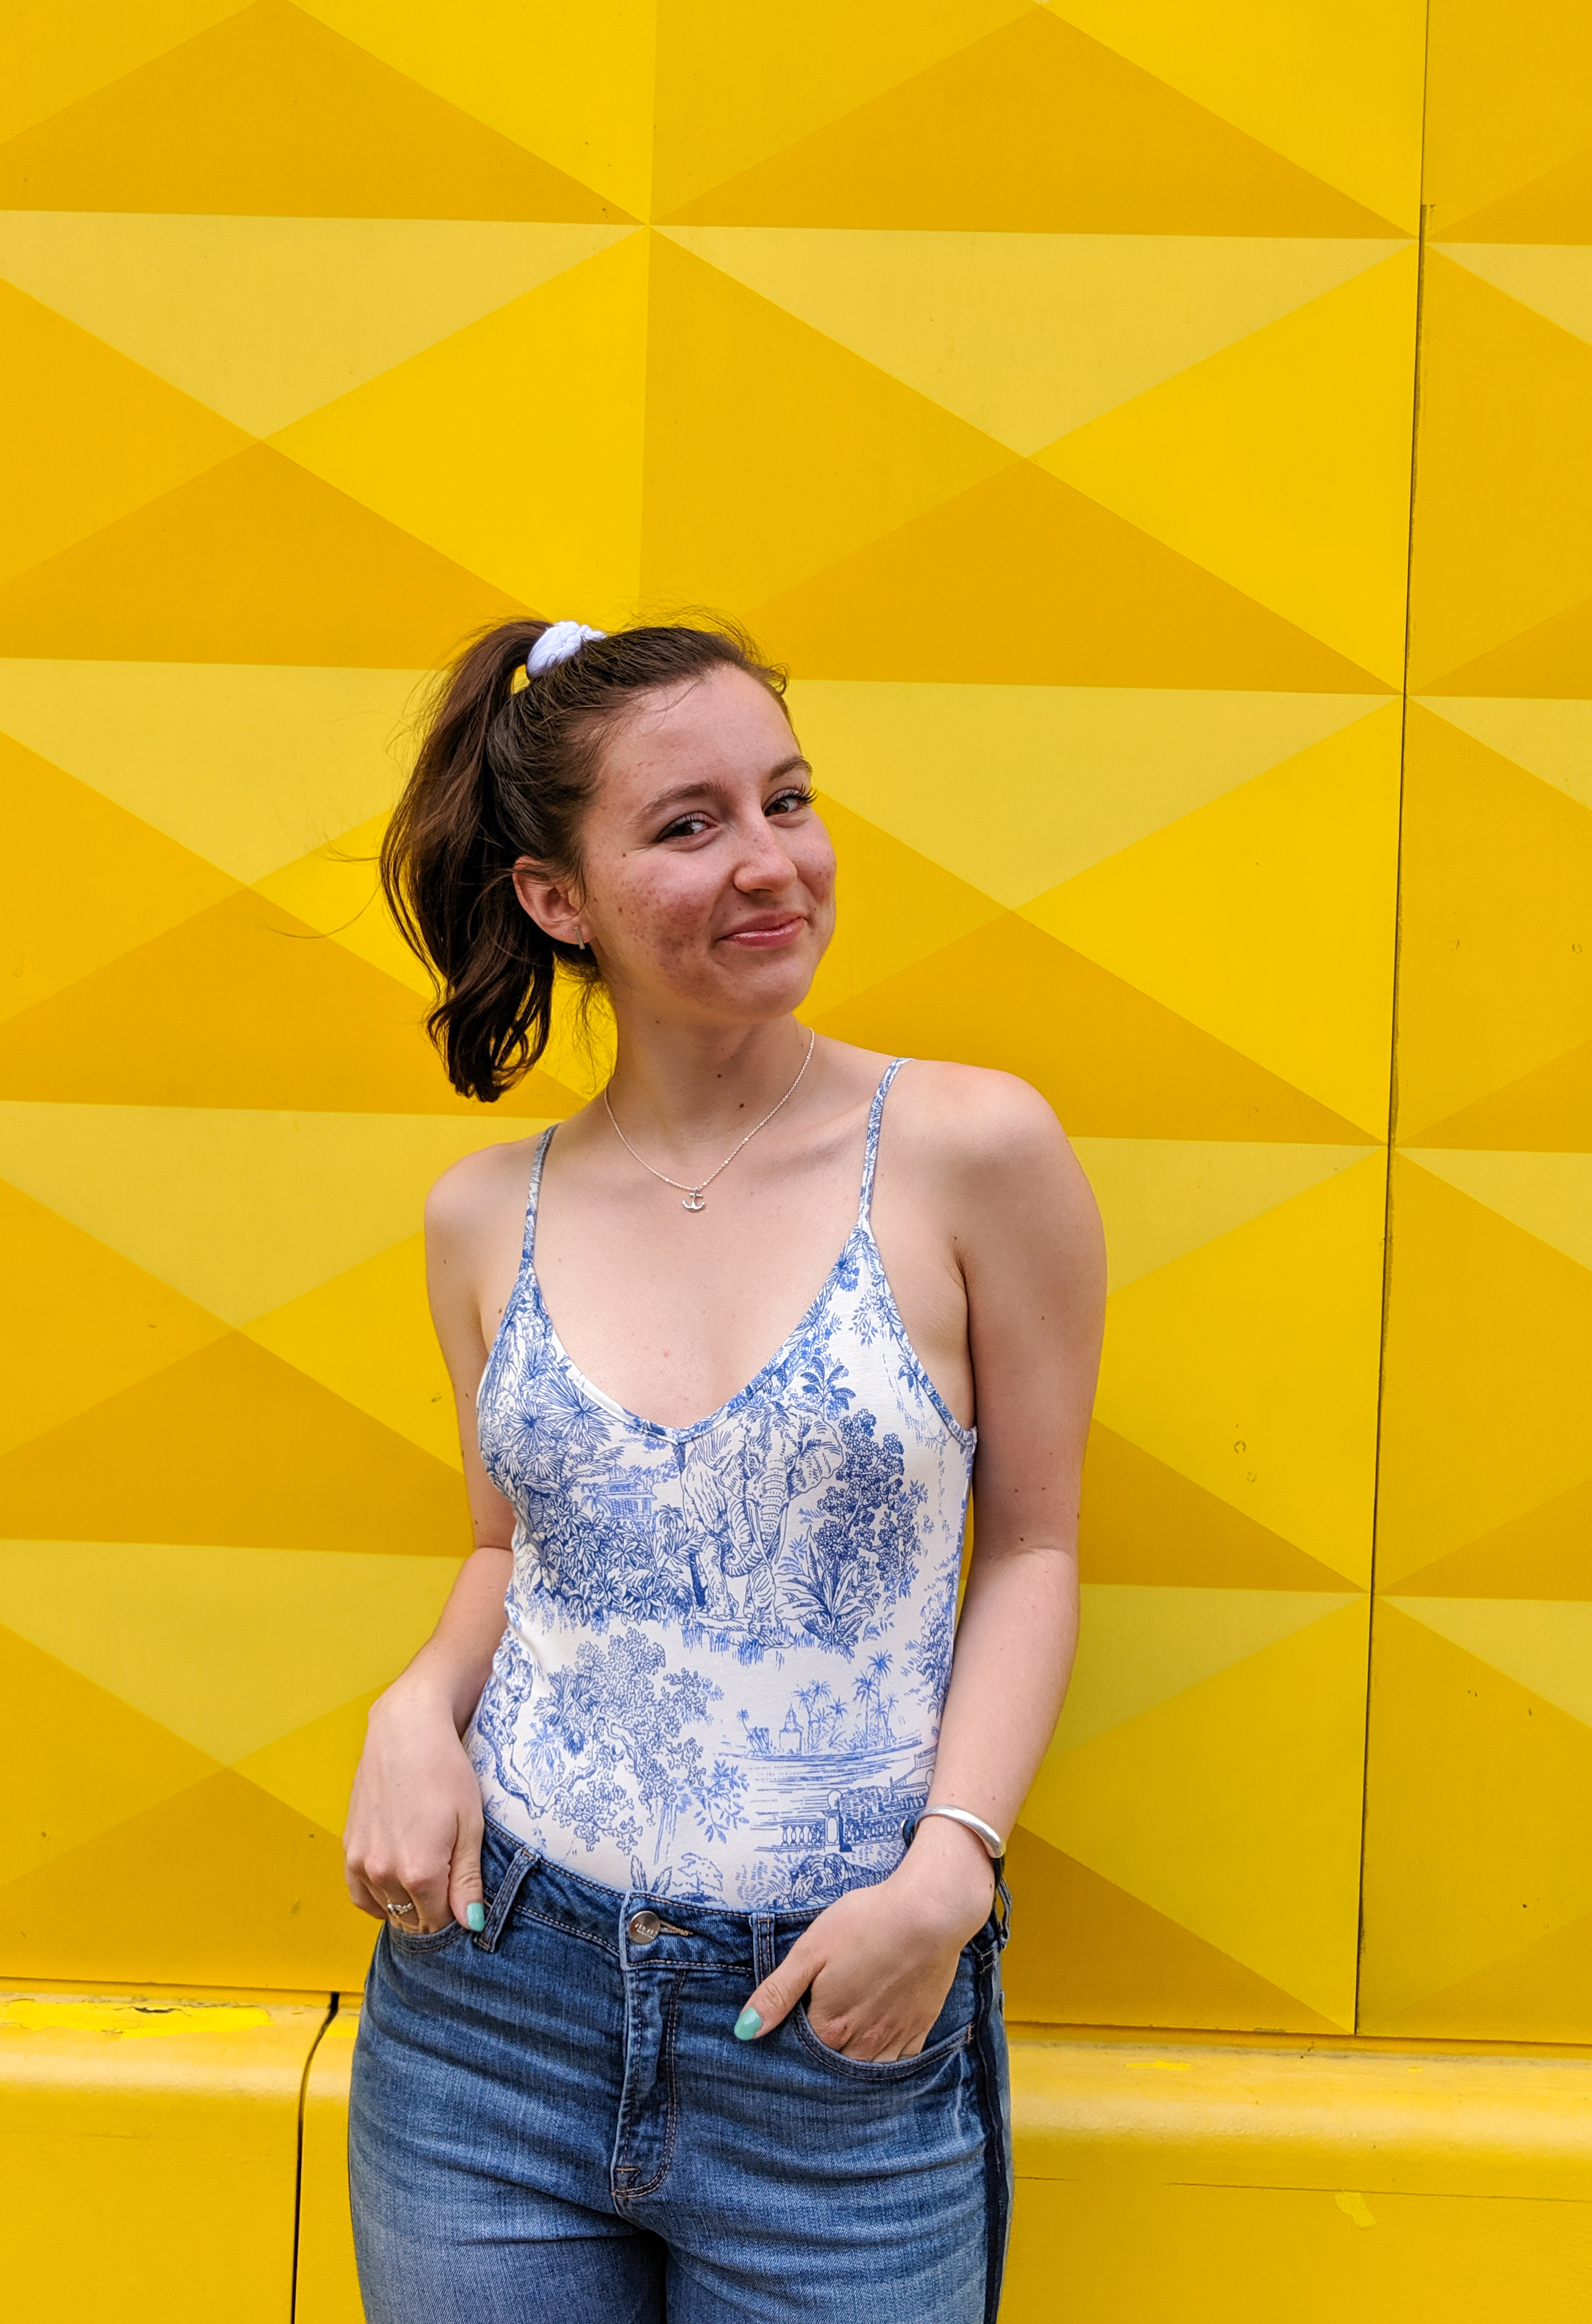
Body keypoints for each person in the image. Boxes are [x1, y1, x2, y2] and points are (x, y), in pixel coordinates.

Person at [342, 615, 1105, 2324]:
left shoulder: (974, 1149)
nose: (774, 864)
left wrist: (950, 1867)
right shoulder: (485, 1216)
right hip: (489, 2007)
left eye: (788, 799)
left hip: (837, 2026)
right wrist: (412, 1709)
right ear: (559, 897)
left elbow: (1038, 1547)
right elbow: (507, 1551)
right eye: (690, 825)